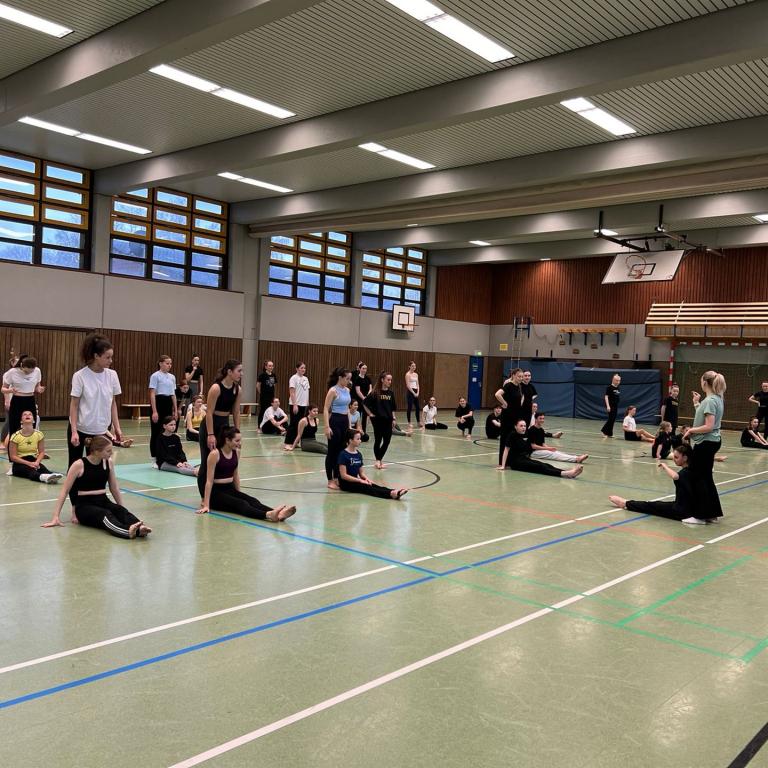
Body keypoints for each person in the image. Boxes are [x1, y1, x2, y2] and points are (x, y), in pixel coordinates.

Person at [42, 435, 151, 538]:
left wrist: (121, 509)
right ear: (96, 451)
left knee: (118, 510)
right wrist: (56, 517)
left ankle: (140, 528)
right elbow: (64, 491)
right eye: (108, 451)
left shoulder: (108, 462)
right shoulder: (78, 465)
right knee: (105, 514)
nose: (111, 453)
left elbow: (114, 488)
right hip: (84, 506)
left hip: (103, 501)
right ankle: (127, 532)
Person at [197, 426, 295, 521]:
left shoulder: (236, 452)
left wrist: (239, 494)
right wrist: (206, 504)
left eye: (240, 440)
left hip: (229, 489)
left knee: (252, 500)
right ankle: (268, 515)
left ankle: (278, 513)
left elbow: (235, 475)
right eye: (237, 441)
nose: (240, 443)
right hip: (216, 494)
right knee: (241, 504)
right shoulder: (215, 454)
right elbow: (209, 481)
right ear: (227, 440)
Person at [68, 334, 122, 466]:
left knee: (98, 467)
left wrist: (117, 427)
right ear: (96, 356)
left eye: (111, 357)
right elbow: (74, 405)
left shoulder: (112, 375)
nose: (111, 361)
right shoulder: (80, 376)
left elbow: (113, 403)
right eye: (107, 357)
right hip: (81, 429)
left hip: (102, 430)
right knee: (75, 465)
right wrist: (74, 431)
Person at [682, 370, 726, 524]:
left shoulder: (710, 401)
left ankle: (700, 516)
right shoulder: (716, 399)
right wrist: (696, 403)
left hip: (706, 443)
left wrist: (691, 431)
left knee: (698, 478)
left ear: (705, 383)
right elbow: (704, 417)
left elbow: (708, 426)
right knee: (706, 477)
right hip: (712, 441)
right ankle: (712, 513)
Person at [609, 444, 695, 522]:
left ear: (685, 458)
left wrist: (666, 467)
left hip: (680, 511)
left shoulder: (686, 473)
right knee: (657, 504)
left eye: (676, 457)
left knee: (651, 506)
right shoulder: (693, 470)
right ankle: (627, 503)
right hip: (686, 507)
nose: (674, 459)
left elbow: (676, 476)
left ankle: (625, 503)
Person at [198, 360, 242, 495]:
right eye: (239, 371)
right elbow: (209, 412)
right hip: (211, 425)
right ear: (229, 372)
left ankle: (229, 492)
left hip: (225, 426)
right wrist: (210, 434)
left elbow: (236, 412)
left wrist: (237, 434)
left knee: (226, 458)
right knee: (207, 461)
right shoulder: (216, 388)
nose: (241, 374)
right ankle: (204, 496)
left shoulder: (237, 389)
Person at [337, 429, 408, 499]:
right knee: (367, 488)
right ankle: (391, 494)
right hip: (346, 483)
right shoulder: (343, 454)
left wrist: (368, 480)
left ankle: (393, 491)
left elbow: (361, 474)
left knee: (373, 485)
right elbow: (344, 476)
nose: (360, 441)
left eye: (360, 439)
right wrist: (360, 480)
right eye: (358, 439)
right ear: (350, 440)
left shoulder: (358, 454)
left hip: (356, 480)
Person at [498, 419, 583, 478]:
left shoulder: (524, 434)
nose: (523, 427)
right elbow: (506, 450)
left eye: (524, 426)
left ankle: (568, 472)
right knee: (540, 467)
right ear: (515, 426)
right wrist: (503, 465)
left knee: (545, 465)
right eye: (521, 426)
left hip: (524, 459)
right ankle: (566, 473)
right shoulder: (512, 435)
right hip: (516, 463)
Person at [7, 410, 63, 483]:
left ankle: (51, 475)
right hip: (19, 463)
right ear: (21, 421)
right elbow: (13, 457)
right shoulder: (15, 436)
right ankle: (43, 478)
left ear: (33, 421)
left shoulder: (39, 434)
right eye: (25, 414)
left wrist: (37, 462)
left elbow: (42, 452)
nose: (27, 415)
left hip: (33, 460)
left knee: (44, 469)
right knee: (31, 471)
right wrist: (29, 463)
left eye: (30, 414)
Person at [2, 354, 44, 442]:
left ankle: (30, 446)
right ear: (22, 366)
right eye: (27, 371)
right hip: (17, 400)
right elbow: (3, 389)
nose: (29, 373)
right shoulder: (12, 372)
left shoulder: (37, 371)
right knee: (14, 426)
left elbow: (37, 386)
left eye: (31, 371)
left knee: (32, 425)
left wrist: (39, 389)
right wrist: (10, 390)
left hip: (30, 400)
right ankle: (12, 447)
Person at [323, 367, 352, 490]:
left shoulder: (347, 390)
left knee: (341, 452)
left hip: (344, 422)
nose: (349, 381)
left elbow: (347, 409)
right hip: (335, 421)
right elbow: (325, 409)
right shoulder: (333, 391)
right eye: (347, 378)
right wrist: (327, 426)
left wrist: (350, 426)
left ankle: (336, 477)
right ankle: (330, 480)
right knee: (332, 452)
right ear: (340, 378)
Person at [364, 371, 400, 469]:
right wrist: (370, 414)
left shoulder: (391, 393)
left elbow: (392, 408)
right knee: (378, 440)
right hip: (378, 420)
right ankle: (378, 461)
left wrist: (394, 418)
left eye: (391, 380)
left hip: (388, 420)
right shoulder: (375, 393)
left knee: (387, 441)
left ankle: (379, 460)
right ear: (382, 380)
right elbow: (365, 403)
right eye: (388, 380)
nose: (390, 382)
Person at [149, 354, 178, 460]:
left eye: (170, 363)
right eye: (167, 363)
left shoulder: (172, 377)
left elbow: (173, 394)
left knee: (167, 431)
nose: (169, 365)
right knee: (156, 432)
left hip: (168, 403)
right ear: (160, 364)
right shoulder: (155, 376)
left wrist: (175, 410)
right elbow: (152, 394)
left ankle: (165, 455)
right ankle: (154, 457)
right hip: (158, 402)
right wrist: (154, 411)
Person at [495, 368, 525, 463]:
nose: (521, 378)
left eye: (522, 376)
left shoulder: (519, 386)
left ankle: (511, 460)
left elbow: (521, 398)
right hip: (507, 417)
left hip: (516, 416)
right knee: (505, 438)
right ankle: (502, 462)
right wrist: (505, 403)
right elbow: (497, 394)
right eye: (519, 376)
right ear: (513, 375)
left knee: (514, 438)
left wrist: (520, 404)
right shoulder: (509, 385)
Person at [284, 362, 310, 447]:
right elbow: (292, 392)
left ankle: (295, 442)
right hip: (295, 404)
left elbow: (307, 391)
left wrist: (307, 404)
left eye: (304, 368)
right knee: (294, 424)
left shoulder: (306, 379)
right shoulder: (293, 378)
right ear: (297, 368)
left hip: (304, 405)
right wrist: (295, 405)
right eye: (301, 368)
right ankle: (287, 442)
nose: (303, 369)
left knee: (301, 424)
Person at [0, 350, 20, 448]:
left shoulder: (20, 374)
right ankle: (2, 441)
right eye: (16, 361)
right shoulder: (8, 374)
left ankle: (15, 441)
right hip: (11, 401)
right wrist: (7, 401)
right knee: (8, 421)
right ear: (12, 363)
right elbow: (5, 389)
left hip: (19, 401)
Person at [256, 360, 277, 431]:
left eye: (272, 366)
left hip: (271, 397)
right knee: (263, 411)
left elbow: (274, 385)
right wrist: (262, 393)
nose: (271, 367)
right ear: (266, 367)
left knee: (270, 411)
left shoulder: (273, 375)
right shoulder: (262, 375)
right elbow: (258, 386)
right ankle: (259, 427)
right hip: (264, 397)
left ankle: (269, 427)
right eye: (269, 366)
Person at [351, 362, 372, 434]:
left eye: (366, 368)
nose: (364, 370)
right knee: (358, 415)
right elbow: (358, 391)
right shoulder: (357, 379)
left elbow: (370, 388)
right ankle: (357, 431)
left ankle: (364, 432)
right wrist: (364, 398)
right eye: (363, 368)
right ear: (360, 369)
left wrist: (368, 396)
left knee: (365, 416)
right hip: (359, 400)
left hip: (366, 399)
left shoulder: (368, 378)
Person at [601, 373, 621, 438]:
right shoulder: (609, 388)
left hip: (615, 406)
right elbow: (606, 397)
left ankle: (610, 433)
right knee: (611, 419)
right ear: (613, 380)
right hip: (611, 406)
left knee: (613, 420)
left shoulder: (618, 388)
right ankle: (604, 431)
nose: (618, 382)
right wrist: (608, 406)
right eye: (617, 380)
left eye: (619, 381)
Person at [404, 361, 422, 428]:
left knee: (418, 407)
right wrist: (413, 393)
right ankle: (409, 423)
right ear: (409, 367)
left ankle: (418, 422)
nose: (414, 367)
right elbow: (408, 385)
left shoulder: (416, 374)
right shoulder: (407, 374)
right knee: (410, 407)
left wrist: (417, 392)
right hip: (410, 392)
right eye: (412, 366)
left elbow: (418, 384)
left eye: (415, 366)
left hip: (416, 391)